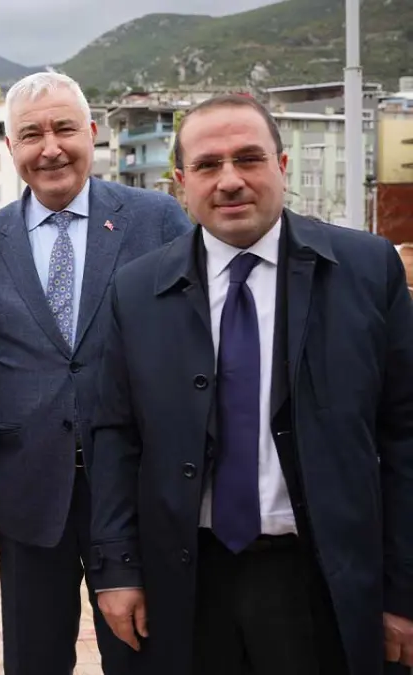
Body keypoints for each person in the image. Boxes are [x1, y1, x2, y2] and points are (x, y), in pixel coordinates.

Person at [87, 93, 413, 675]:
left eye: (249, 159)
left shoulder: (367, 272)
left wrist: (403, 589)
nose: (230, 181)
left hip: (323, 580)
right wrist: (116, 570)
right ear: (181, 183)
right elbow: (114, 437)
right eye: (209, 166)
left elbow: (404, 435)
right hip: (186, 582)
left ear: (282, 168)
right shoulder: (136, 293)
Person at [0, 71, 193, 675]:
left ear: (93, 133)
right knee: (35, 658)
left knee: (143, 651)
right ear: (12, 150)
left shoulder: (157, 221)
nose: (50, 147)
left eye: (65, 128)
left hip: (138, 486)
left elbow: (195, 348)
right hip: (27, 491)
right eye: (31, 134)